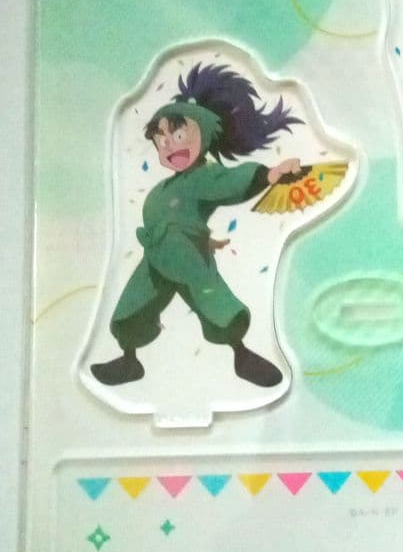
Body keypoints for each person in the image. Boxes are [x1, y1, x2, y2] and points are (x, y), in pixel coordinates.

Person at [91, 62, 301, 388]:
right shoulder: (164, 188)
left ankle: (242, 355)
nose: (170, 146)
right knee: (134, 305)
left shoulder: (204, 176)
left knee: (214, 302)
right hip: (155, 259)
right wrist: (201, 235)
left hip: (190, 260)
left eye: (178, 135)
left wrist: (270, 175)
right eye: (161, 141)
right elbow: (179, 218)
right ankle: (129, 360)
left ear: (203, 134)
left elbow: (229, 183)